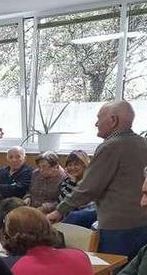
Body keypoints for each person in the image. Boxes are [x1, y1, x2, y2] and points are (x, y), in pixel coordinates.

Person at [47, 101, 147, 258]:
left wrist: (60, 210)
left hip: (117, 227)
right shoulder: (143, 143)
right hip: (142, 223)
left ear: (113, 120)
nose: (96, 123)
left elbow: (89, 188)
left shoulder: (110, 146)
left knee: (111, 274)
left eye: (99, 118)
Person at [55, 150, 97, 228]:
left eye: (76, 165)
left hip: (87, 213)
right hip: (70, 214)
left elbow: (88, 204)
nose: (72, 168)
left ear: (85, 166)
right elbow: (60, 201)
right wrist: (72, 182)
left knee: (73, 215)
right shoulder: (67, 181)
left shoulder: (90, 180)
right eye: (70, 165)